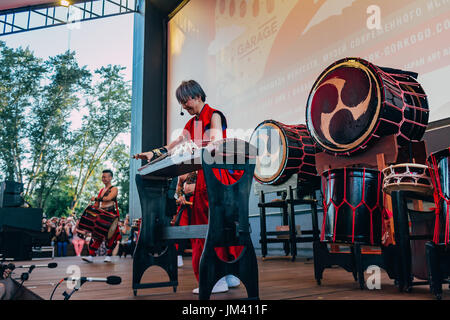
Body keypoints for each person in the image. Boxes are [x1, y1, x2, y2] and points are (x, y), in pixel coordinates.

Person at [134, 80, 242, 294]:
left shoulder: (214, 115)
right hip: (205, 175)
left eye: (186, 101)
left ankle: (216, 277)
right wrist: (152, 154)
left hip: (215, 175)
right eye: (181, 103)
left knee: (215, 225)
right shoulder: (191, 124)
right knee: (211, 224)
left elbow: (215, 143)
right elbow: (172, 146)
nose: (184, 106)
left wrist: (194, 147)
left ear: (197, 95)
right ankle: (225, 276)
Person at [82, 169, 121, 263]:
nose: (103, 178)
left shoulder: (114, 189)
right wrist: (90, 209)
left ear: (110, 178)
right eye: (102, 176)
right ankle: (91, 255)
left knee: (111, 236)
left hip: (111, 214)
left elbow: (108, 198)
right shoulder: (101, 190)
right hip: (102, 215)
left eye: (105, 176)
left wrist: (96, 198)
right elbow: (96, 204)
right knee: (97, 234)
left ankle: (109, 255)